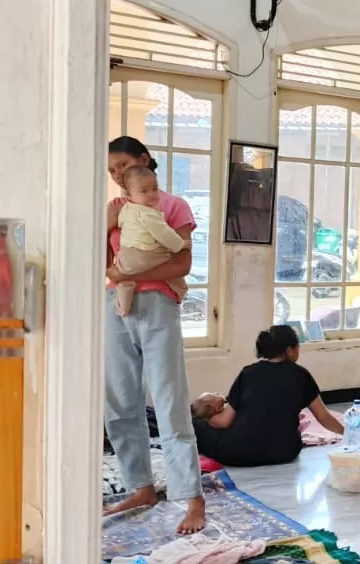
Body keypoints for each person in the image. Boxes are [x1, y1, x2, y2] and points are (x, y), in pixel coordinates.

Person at [102, 136, 206, 534]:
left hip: (157, 306)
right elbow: (101, 260)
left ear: (144, 161)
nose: (117, 176)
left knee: (169, 400)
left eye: (123, 167)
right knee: (120, 402)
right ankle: (139, 486)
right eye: (112, 171)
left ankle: (191, 497)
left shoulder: (173, 205)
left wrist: (127, 273)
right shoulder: (116, 210)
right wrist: (107, 226)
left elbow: (181, 264)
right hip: (116, 306)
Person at [191, 325, 344, 467]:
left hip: (239, 454)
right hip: (285, 452)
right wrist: (349, 432)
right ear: (290, 351)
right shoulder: (301, 375)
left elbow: (224, 422)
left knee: (195, 423)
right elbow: (324, 418)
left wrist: (204, 417)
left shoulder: (248, 373)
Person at [113, 166, 189, 316]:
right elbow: (164, 234)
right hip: (144, 255)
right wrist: (180, 244)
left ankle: (123, 304)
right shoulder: (148, 214)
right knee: (169, 260)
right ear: (129, 194)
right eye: (144, 191)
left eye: (155, 189)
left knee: (125, 278)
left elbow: (121, 223)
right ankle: (180, 289)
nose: (152, 194)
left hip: (126, 257)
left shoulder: (126, 209)